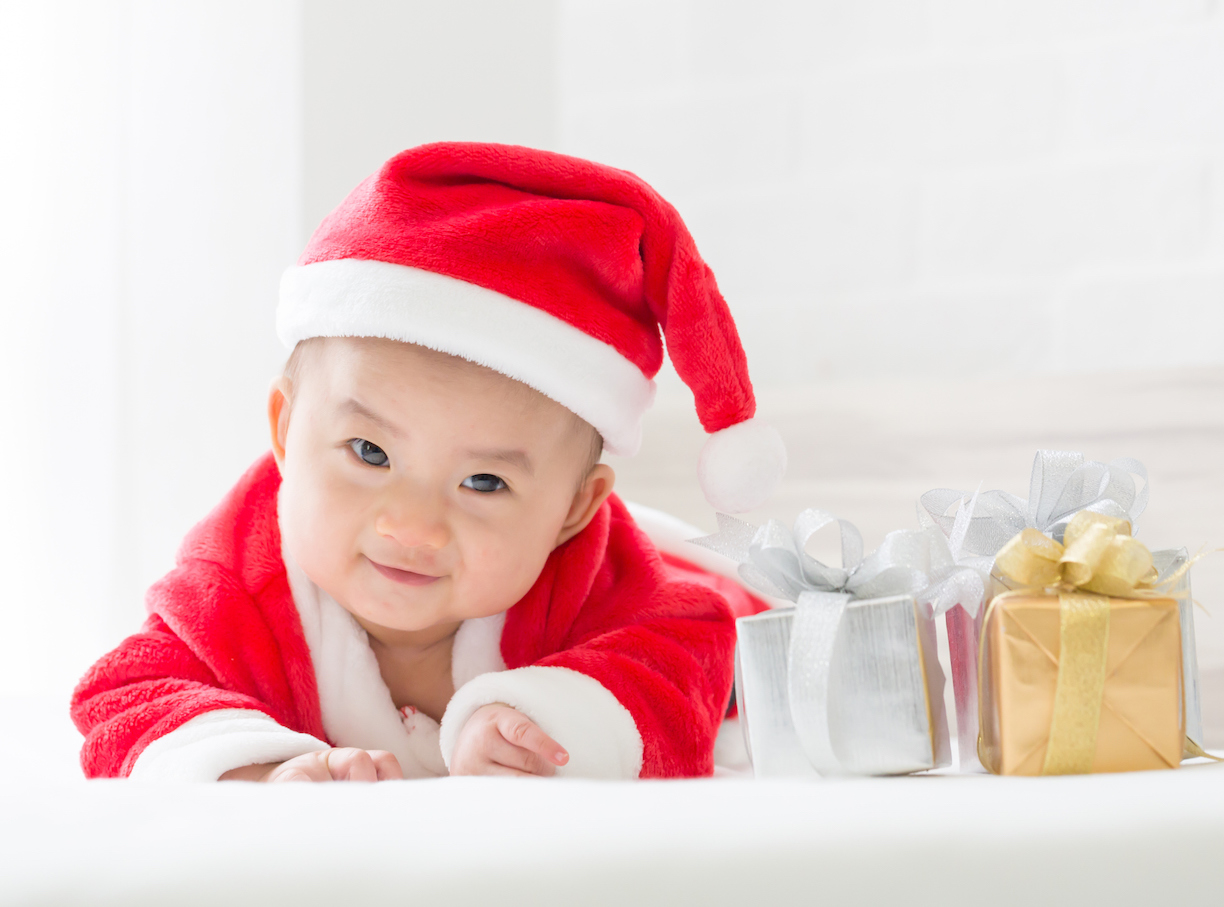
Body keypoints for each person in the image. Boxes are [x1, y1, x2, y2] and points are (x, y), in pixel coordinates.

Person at [70, 143, 784, 781]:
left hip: (707, 582)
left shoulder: (602, 579)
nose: (413, 526)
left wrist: (541, 720)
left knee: (782, 639)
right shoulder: (238, 581)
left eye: (483, 481)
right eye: (370, 452)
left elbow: (690, 654)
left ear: (571, 508)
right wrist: (261, 766)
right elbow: (125, 692)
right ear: (287, 431)